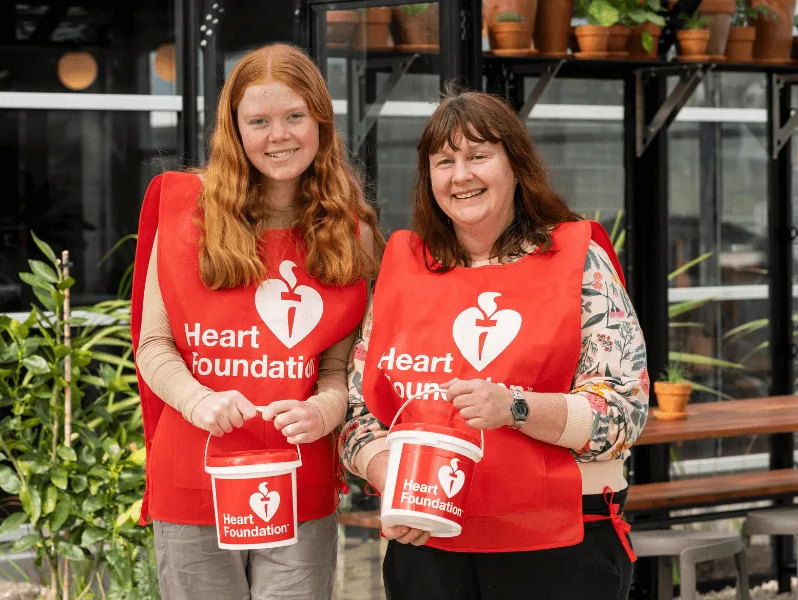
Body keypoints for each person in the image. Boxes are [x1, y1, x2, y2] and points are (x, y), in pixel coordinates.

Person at [340, 89, 649, 600]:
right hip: (429, 546)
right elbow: (360, 410)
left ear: (516, 165)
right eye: (444, 161)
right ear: (429, 178)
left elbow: (623, 414)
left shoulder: (578, 262)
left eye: (479, 156)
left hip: (558, 549)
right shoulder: (403, 271)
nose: (461, 175)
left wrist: (516, 406)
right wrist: (390, 476)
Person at [130, 43, 383, 600]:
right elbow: (152, 344)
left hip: (298, 471)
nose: (279, 135)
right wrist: (199, 401)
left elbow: (338, 366)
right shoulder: (183, 210)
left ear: (320, 120)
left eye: (295, 116)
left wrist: (325, 408)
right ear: (235, 129)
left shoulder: (351, 232)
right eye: (259, 121)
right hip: (194, 471)